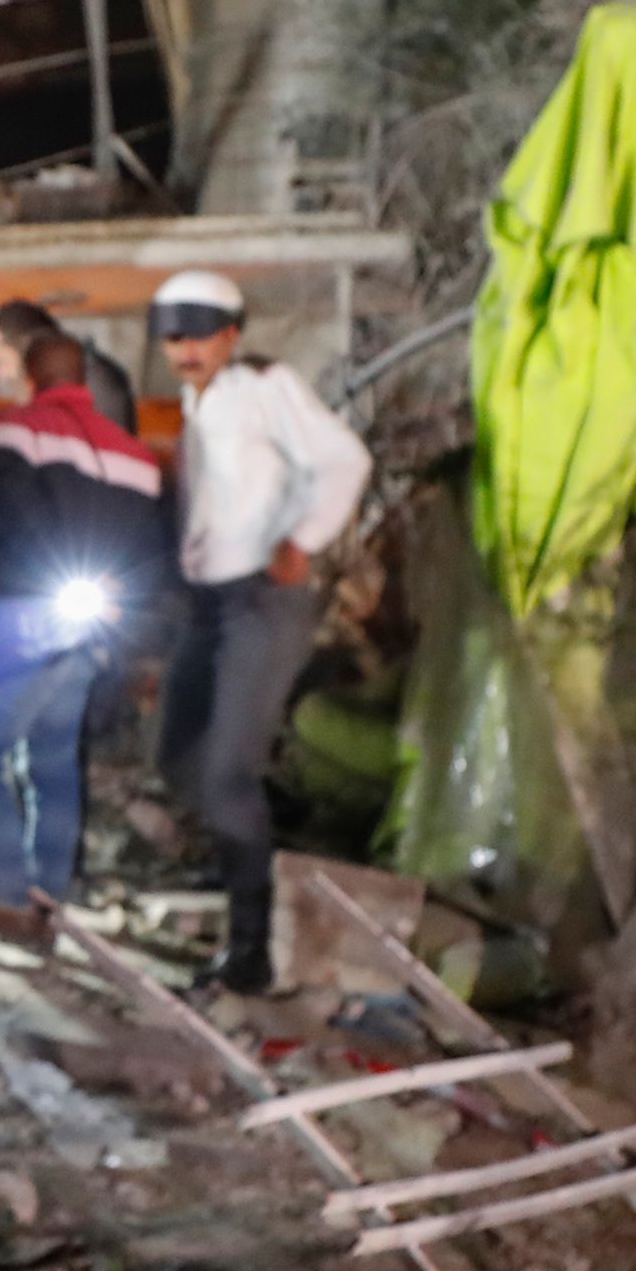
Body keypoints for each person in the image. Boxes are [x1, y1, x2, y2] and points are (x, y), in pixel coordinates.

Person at [150, 268, 374, 994]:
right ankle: (243, 860)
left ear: (230, 336)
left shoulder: (263, 386)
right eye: (174, 337)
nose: (185, 350)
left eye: (199, 336)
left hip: (263, 599)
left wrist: (302, 538)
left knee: (224, 775)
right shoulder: (196, 401)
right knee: (177, 752)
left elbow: (346, 458)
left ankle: (251, 951)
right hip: (208, 604)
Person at [0, 327, 168, 942]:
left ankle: (10, 893)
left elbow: (0, 519)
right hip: (90, 623)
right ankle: (52, 898)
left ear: (30, 375)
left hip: (10, 618)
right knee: (53, 761)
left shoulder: (13, 430)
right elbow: (146, 549)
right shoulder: (134, 456)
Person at [0, 294, 135, 435]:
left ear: (29, 348)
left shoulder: (91, 379)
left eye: (4, 361)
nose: (2, 373)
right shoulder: (68, 377)